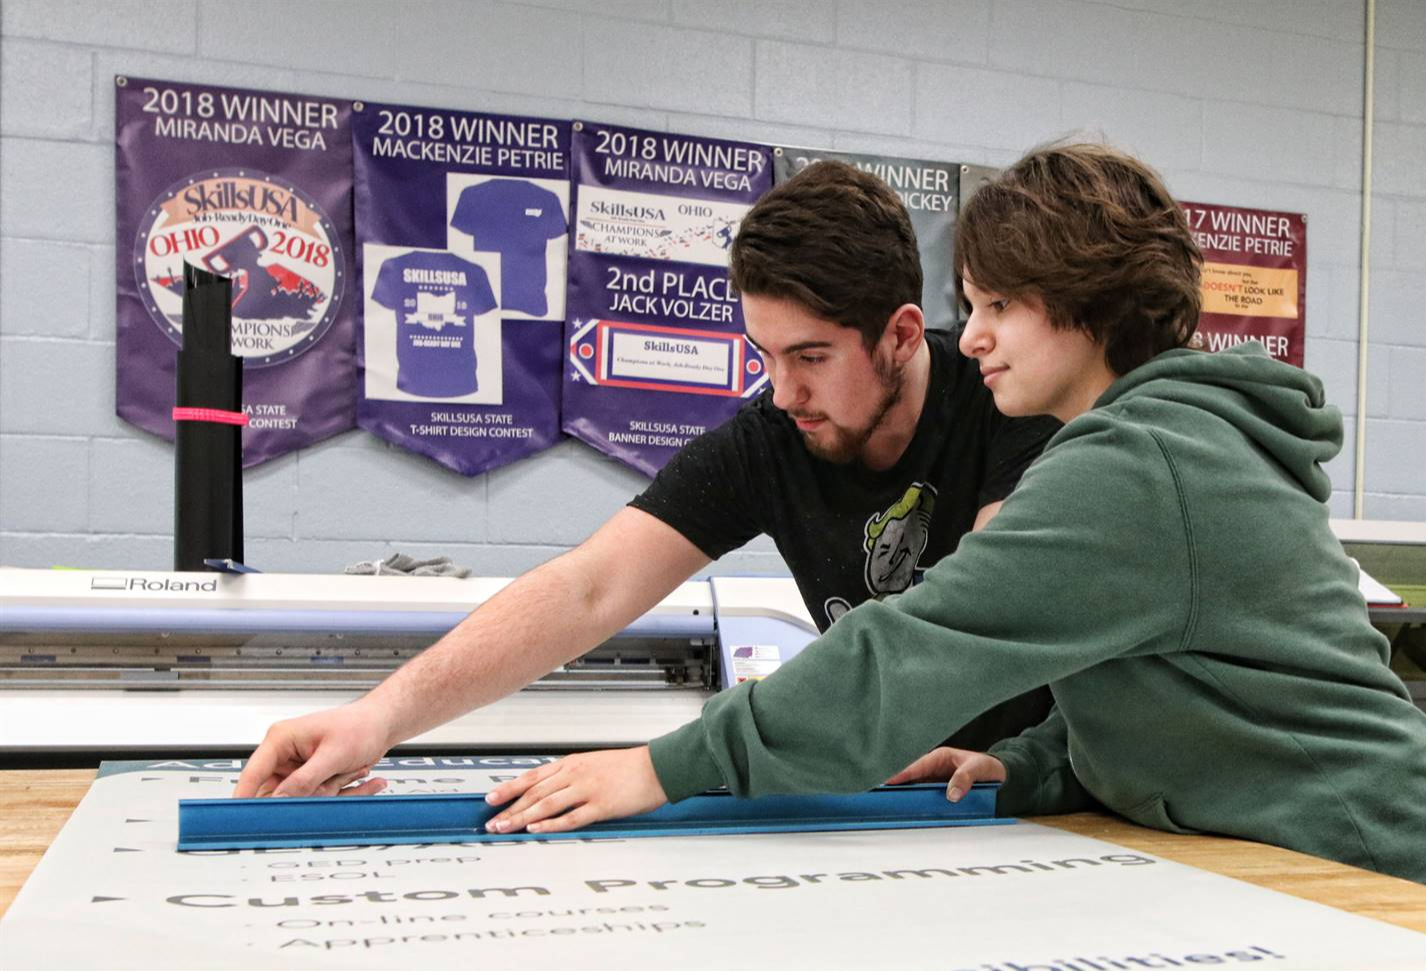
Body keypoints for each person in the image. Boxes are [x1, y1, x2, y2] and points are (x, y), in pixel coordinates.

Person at [481, 143, 1426, 901]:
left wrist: (666, 766)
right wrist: (1036, 762)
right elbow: (1166, 676)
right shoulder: (1154, 442)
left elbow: (913, 647)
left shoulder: (1138, 461)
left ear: (1086, 305)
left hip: (1379, 880)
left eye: (998, 307)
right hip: (1296, 865)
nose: (970, 338)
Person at [235, 162, 1059, 801]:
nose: (784, 391)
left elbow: (959, 627)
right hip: (886, 800)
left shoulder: (1005, 404)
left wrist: (670, 765)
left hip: (1044, 796)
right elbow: (588, 587)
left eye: (811, 357)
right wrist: (377, 716)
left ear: (903, 335)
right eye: (765, 356)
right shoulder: (776, 436)